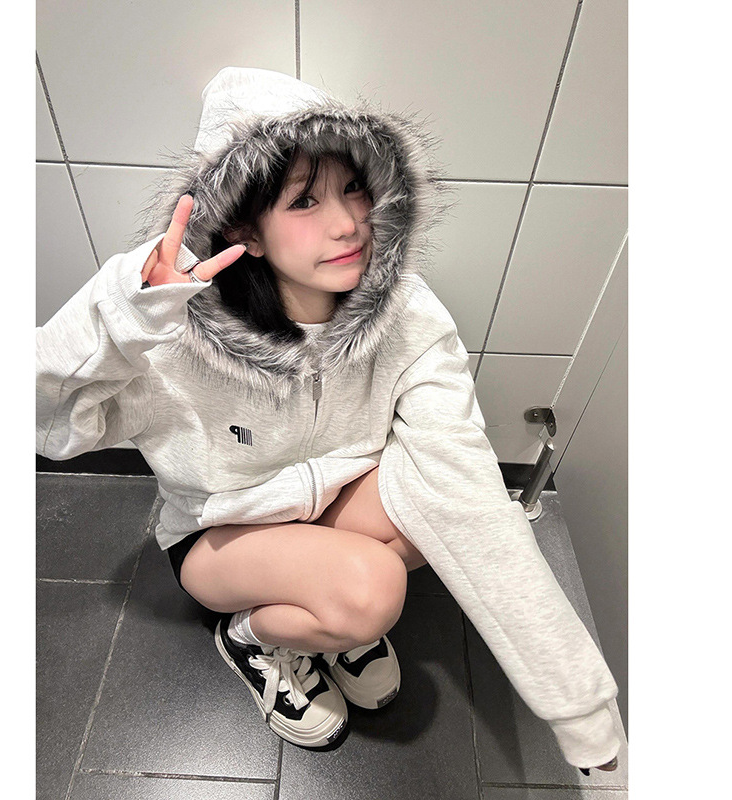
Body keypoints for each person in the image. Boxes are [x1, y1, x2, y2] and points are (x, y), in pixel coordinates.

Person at [37, 66, 620, 771]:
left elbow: (465, 487)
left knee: (438, 500)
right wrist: (122, 316)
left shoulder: (406, 315)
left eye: (353, 190)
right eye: (305, 200)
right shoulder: (172, 332)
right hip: (222, 533)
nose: (347, 223)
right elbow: (45, 421)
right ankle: (254, 638)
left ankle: (328, 610)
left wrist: (580, 708)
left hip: (332, 504)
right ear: (247, 230)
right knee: (373, 592)